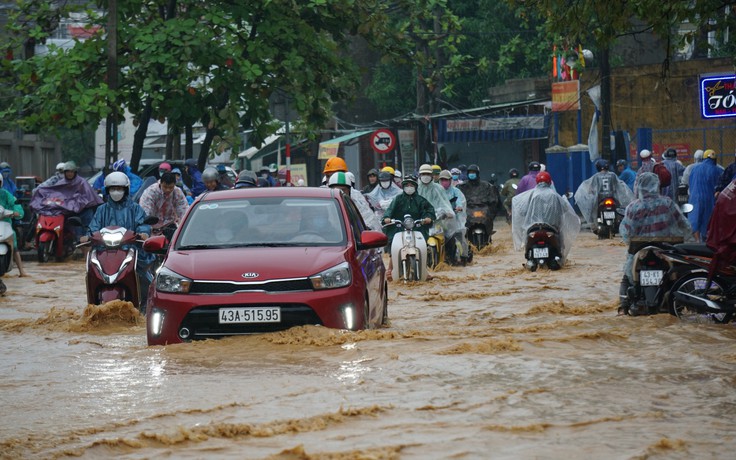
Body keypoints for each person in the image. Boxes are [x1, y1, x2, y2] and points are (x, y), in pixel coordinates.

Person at [618, 173, 692, 315]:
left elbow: (625, 233)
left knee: (626, 278)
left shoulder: (633, 207)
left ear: (639, 186)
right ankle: (692, 304)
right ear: (656, 185)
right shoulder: (668, 203)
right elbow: (684, 226)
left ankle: (623, 307)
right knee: (684, 273)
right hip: (665, 251)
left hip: (640, 251)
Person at [81, 172, 155, 312]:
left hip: (131, 249)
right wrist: (87, 236)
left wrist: (143, 232)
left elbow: (142, 224)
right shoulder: (101, 210)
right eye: (112, 188)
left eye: (119, 188)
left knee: (144, 277)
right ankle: (92, 306)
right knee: (91, 272)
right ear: (107, 190)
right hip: (104, 251)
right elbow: (93, 227)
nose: (116, 191)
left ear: (125, 189)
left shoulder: (135, 208)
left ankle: (146, 306)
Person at [512, 171, 580, 269]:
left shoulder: (531, 195)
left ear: (537, 181)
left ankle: (530, 257)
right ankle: (558, 257)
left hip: (533, 228)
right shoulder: (554, 195)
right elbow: (565, 209)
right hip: (551, 228)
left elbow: (521, 209)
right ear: (549, 182)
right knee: (561, 241)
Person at [30, 161, 102, 241]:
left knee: (83, 223)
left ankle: (84, 241)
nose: (69, 174)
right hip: (66, 210)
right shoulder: (61, 182)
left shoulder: (82, 182)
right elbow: (55, 193)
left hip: (82, 210)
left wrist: (75, 204)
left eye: (71, 171)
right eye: (67, 171)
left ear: (75, 172)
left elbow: (87, 197)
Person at [382, 175, 436, 281]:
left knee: (423, 246)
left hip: (417, 228)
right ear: (403, 186)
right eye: (407, 185)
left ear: (415, 187)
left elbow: (429, 210)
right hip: (399, 227)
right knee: (395, 244)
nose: (409, 187)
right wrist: (387, 218)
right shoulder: (398, 199)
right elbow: (389, 210)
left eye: (412, 185)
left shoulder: (421, 200)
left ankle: (424, 269)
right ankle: (390, 269)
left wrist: (428, 218)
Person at [574, 159, 634, 234]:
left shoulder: (596, 176)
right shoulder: (612, 175)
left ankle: (594, 226)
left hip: (600, 199)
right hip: (612, 198)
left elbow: (590, 188)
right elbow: (619, 186)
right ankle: (619, 223)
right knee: (620, 209)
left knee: (593, 210)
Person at [322, 157, 381, 231]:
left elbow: (369, 220)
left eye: (332, 175)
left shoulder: (356, 196)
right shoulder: (321, 194)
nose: (330, 179)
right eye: (327, 176)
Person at [458, 163, 500, 239]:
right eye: (470, 173)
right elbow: (458, 198)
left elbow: (494, 200)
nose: (472, 174)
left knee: (488, 220)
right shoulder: (462, 186)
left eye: (473, 173)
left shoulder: (486, 186)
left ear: (477, 173)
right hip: (468, 210)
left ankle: (488, 234)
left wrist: (491, 210)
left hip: (483, 210)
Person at [688, 149, 723, 242]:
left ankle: (697, 241)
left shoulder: (694, 168)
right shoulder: (718, 170)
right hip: (710, 199)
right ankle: (707, 241)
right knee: (708, 220)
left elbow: (690, 183)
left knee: (695, 219)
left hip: (695, 198)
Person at [417, 164, 457, 243]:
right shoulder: (415, 189)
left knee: (449, 238)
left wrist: (447, 213)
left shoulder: (438, 188)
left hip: (436, 221)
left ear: (431, 176)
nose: (426, 176)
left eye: (428, 174)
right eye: (423, 174)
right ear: (419, 176)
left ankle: (450, 255)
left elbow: (444, 203)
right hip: (419, 223)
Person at [439, 169, 469, 264]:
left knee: (460, 235)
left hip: (454, 218)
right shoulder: (437, 191)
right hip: (440, 219)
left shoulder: (456, 191)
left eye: (446, 180)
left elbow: (460, 201)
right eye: (442, 180)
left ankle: (464, 255)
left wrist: (458, 207)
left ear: (450, 180)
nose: (444, 182)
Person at [0, 174, 26, 285]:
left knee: (13, 244)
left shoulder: (6, 194)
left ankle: (21, 270)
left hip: (5, 223)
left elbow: (15, 205)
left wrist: (16, 212)